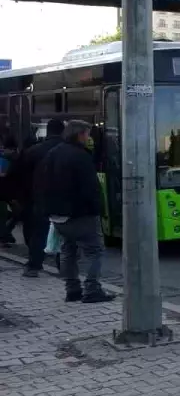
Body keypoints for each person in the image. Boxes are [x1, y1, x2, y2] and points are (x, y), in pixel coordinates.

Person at [37, 120, 111, 303]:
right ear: (79, 135)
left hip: (58, 215)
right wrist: (98, 210)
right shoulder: (81, 156)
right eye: (87, 134)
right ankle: (92, 289)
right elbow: (90, 188)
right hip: (80, 214)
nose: (89, 138)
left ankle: (72, 289)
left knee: (68, 250)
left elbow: (41, 184)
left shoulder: (52, 154)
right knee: (96, 251)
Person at [8, 118, 65, 277]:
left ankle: (34, 265)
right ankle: (64, 266)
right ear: (62, 131)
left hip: (37, 199)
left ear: (48, 131)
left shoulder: (33, 151)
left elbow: (18, 177)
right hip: (64, 199)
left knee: (38, 233)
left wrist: (20, 198)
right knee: (63, 234)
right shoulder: (70, 150)